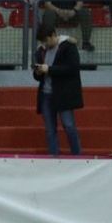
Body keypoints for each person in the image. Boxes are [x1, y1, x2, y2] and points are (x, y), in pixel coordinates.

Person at [34, 23, 82, 156]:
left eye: (46, 40)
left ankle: (77, 156)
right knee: (50, 130)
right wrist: (38, 72)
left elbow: (72, 68)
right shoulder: (41, 51)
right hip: (46, 94)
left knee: (69, 126)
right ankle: (54, 157)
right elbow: (38, 76)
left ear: (53, 35)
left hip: (63, 94)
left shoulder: (68, 46)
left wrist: (49, 69)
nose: (44, 44)